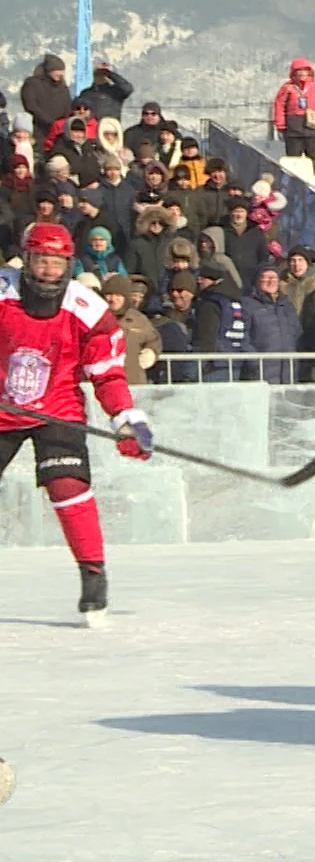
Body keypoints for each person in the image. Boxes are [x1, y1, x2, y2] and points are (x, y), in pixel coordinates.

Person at [0, 224, 152, 621]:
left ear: (68, 264)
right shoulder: (3, 292)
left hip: (56, 407)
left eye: (56, 262)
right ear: (26, 259)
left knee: (67, 484)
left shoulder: (88, 309)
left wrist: (125, 418)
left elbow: (107, 374)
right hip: (2, 407)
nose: (48, 270)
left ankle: (93, 571)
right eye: (40, 260)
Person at [242, 265, 301, 384]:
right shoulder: (247, 305)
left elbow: (297, 333)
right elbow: (243, 338)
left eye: (274, 278)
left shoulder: (286, 305)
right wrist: (255, 363)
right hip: (260, 373)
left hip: (288, 372)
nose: (271, 282)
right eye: (266, 278)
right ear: (257, 280)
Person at [271, 58, 315, 174]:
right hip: (293, 126)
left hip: (313, 125)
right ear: (293, 73)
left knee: (312, 152)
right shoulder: (287, 88)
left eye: (305, 70)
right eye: (299, 71)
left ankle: (313, 168)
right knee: (294, 155)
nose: (302, 73)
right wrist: (280, 124)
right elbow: (279, 105)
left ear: (310, 72)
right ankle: (294, 174)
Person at [100, 275, 160, 386]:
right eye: (109, 295)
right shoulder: (94, 317)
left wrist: (151, 352)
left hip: (133, 381)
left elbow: (154, 339)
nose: (113, 299)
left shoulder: (138, 319)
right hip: (101, 383)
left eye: (118, 295)